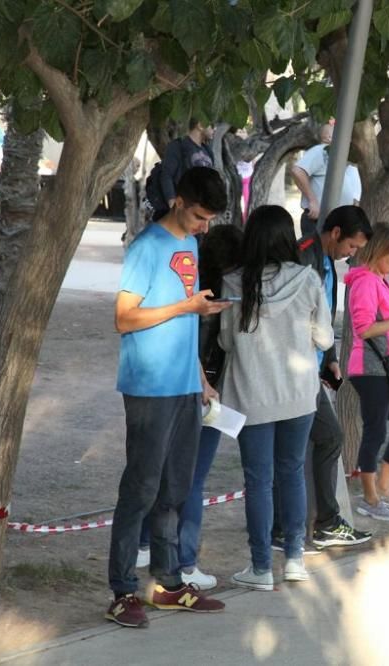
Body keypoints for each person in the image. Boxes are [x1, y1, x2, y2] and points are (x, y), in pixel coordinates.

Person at [106, 167, 230, 629]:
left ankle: (168, 583)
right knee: (140, 488)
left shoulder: (191, 245)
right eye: (199, 216)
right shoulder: (146, 247)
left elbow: (187, 321)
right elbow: (123, 318)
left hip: (183, 385)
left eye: (209, 219)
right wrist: (186, 306)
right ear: (179, 201)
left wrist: (200, 376)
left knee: (175, 489)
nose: (204, 226)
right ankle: (122, 590)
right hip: (149, 387)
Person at [219, 205, 334, 591]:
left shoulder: (234, 282)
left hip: (252, 395)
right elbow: (325, 339)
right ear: (288, 237)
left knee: (258, 481)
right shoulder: (308, 279)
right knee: (291, 473)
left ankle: (261, 567)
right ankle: (296, 560)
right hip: (300, 395)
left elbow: (225, 341)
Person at [135, 224, 243, 590]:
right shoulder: (223, 299)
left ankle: (145, 544)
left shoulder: (186, 290)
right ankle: (186, 562)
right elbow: (223, 344)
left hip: (171, 385)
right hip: (204, 392)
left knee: (161, 469)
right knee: (192, 479)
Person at [270, 205, 373, 551]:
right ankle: (292, 526)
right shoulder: (303, 256)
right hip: (294, 372)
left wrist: (328, 359)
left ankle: (309, 523)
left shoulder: (326, 261)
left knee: (317, 440)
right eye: (352, 247)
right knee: (311, 443)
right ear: (335, 233)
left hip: (311, 369)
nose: (352, 254)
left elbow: (323, 316)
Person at [345, 223, 389, 521]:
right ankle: (370, 496)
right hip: (371, 369)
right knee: (375, 430)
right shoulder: (365, 282)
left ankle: (384, 488)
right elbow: (363, 329)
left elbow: (387, 321)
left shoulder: (379, 279)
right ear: (378, 251)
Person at [291, 124, 365, 236]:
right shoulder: (321, 150)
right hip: (318, 220)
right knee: (310, 249)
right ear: (329, 138)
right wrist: (313, 201)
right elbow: (297, 171)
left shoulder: (344, 156)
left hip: (338, 222)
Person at [155, 120, 215, 220]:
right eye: (211, 125)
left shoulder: (208, 151)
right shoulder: (178, 146)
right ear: (200, 125)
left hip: (202, 211)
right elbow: (167, 175)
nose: (214, 129)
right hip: (184, 211)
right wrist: (173, 206)